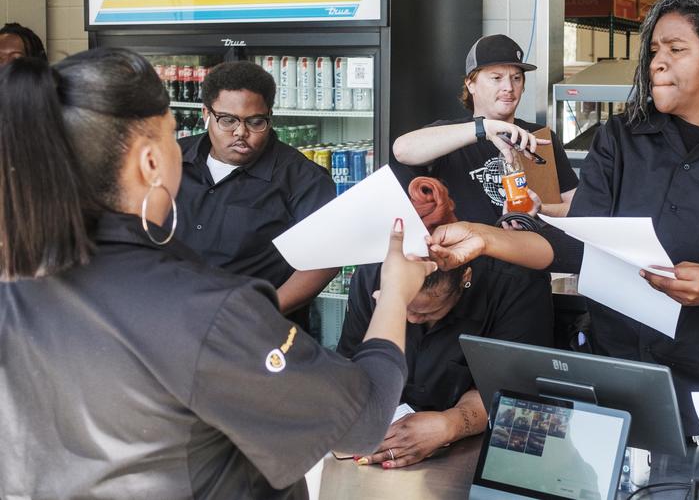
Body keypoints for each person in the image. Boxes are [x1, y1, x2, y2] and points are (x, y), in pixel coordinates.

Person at [0, 50, 437, 498]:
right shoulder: (209, 312)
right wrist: (394, 295)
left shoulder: (18, 279)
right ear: (151, 162)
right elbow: (362, 421)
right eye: (175, 136)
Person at [425, 0, 699, 435]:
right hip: (617, 384)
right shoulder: (621, 138)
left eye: (676, 49)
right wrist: (485, 237)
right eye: (654, 50)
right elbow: (573, 247)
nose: (657, 62)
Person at [337, 176, 553, 469]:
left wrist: (450, 424)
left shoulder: (515, 284)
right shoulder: (371, 273)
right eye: (401, 307)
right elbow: (353, 365)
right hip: (385, 432)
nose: (410, 319)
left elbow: (512, 392)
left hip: (484, 449)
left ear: (465, 277)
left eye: (425, 313)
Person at [174, 61, 337, 329]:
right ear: (206, 113)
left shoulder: (303, 179)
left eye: (255, 121)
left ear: (269, 116)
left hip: (256, 334)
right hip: (173, 322)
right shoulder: (172, 159)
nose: (241, 132)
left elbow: (325, 260)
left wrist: (265, 311)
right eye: (227, 120)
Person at [392, 34, 578, 224]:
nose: (508, 87)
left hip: (534, 250)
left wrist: (540, 209)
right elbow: (402, 150)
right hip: (466, 251)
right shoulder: (450, 136)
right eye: (496, 78)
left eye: (516, 78)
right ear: (470, 84)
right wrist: (484, 128)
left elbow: (578, 207)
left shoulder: (538, 137)